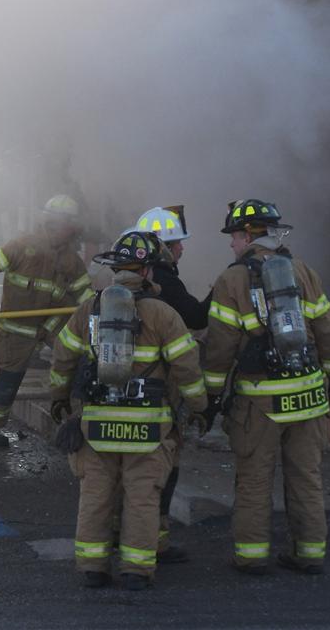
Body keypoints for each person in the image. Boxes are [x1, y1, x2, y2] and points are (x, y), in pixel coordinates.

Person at [48, 231, 212, 590]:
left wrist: (59, 398)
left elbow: (63, 357)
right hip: (148, 427)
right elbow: (187, 369)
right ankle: (136, 570)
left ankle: (93, 566)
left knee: (96, 494)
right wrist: (201, 408)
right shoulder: (163, 314)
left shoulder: (90, 309)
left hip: (97, 422)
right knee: (142, 497)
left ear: (116, 270)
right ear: (148, 271)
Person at [204, 199, 330, 576]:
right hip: (310, 398)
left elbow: (220, 347)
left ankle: (251, 557)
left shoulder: (231, 279)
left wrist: (211, 396)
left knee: (253, 480)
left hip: (260, 403)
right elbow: (328, 331)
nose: (232, 245)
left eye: (233, 236)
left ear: (248, 235)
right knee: (306, 478)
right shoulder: (303, 271)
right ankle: (310, 554)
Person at [0, 195, 94, 447]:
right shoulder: (22, 246)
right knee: (7, 382)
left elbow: (86, 297)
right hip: (15, 333)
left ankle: (77, 422)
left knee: (78, 359)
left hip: (48, 327)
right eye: (62, 224)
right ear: (51, 223)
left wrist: (101, 317)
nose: (67, 230)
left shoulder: (71, 260)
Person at [132, 205, 214, 564]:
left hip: (125, 389)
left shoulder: (125, 283)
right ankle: (156, 542)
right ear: (162, 248)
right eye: (177, 243)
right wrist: (218, 292)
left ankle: (118, 541)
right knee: (164, 464)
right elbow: (195, 317)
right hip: (160, 390)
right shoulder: (168, 281)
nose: (181, 249)